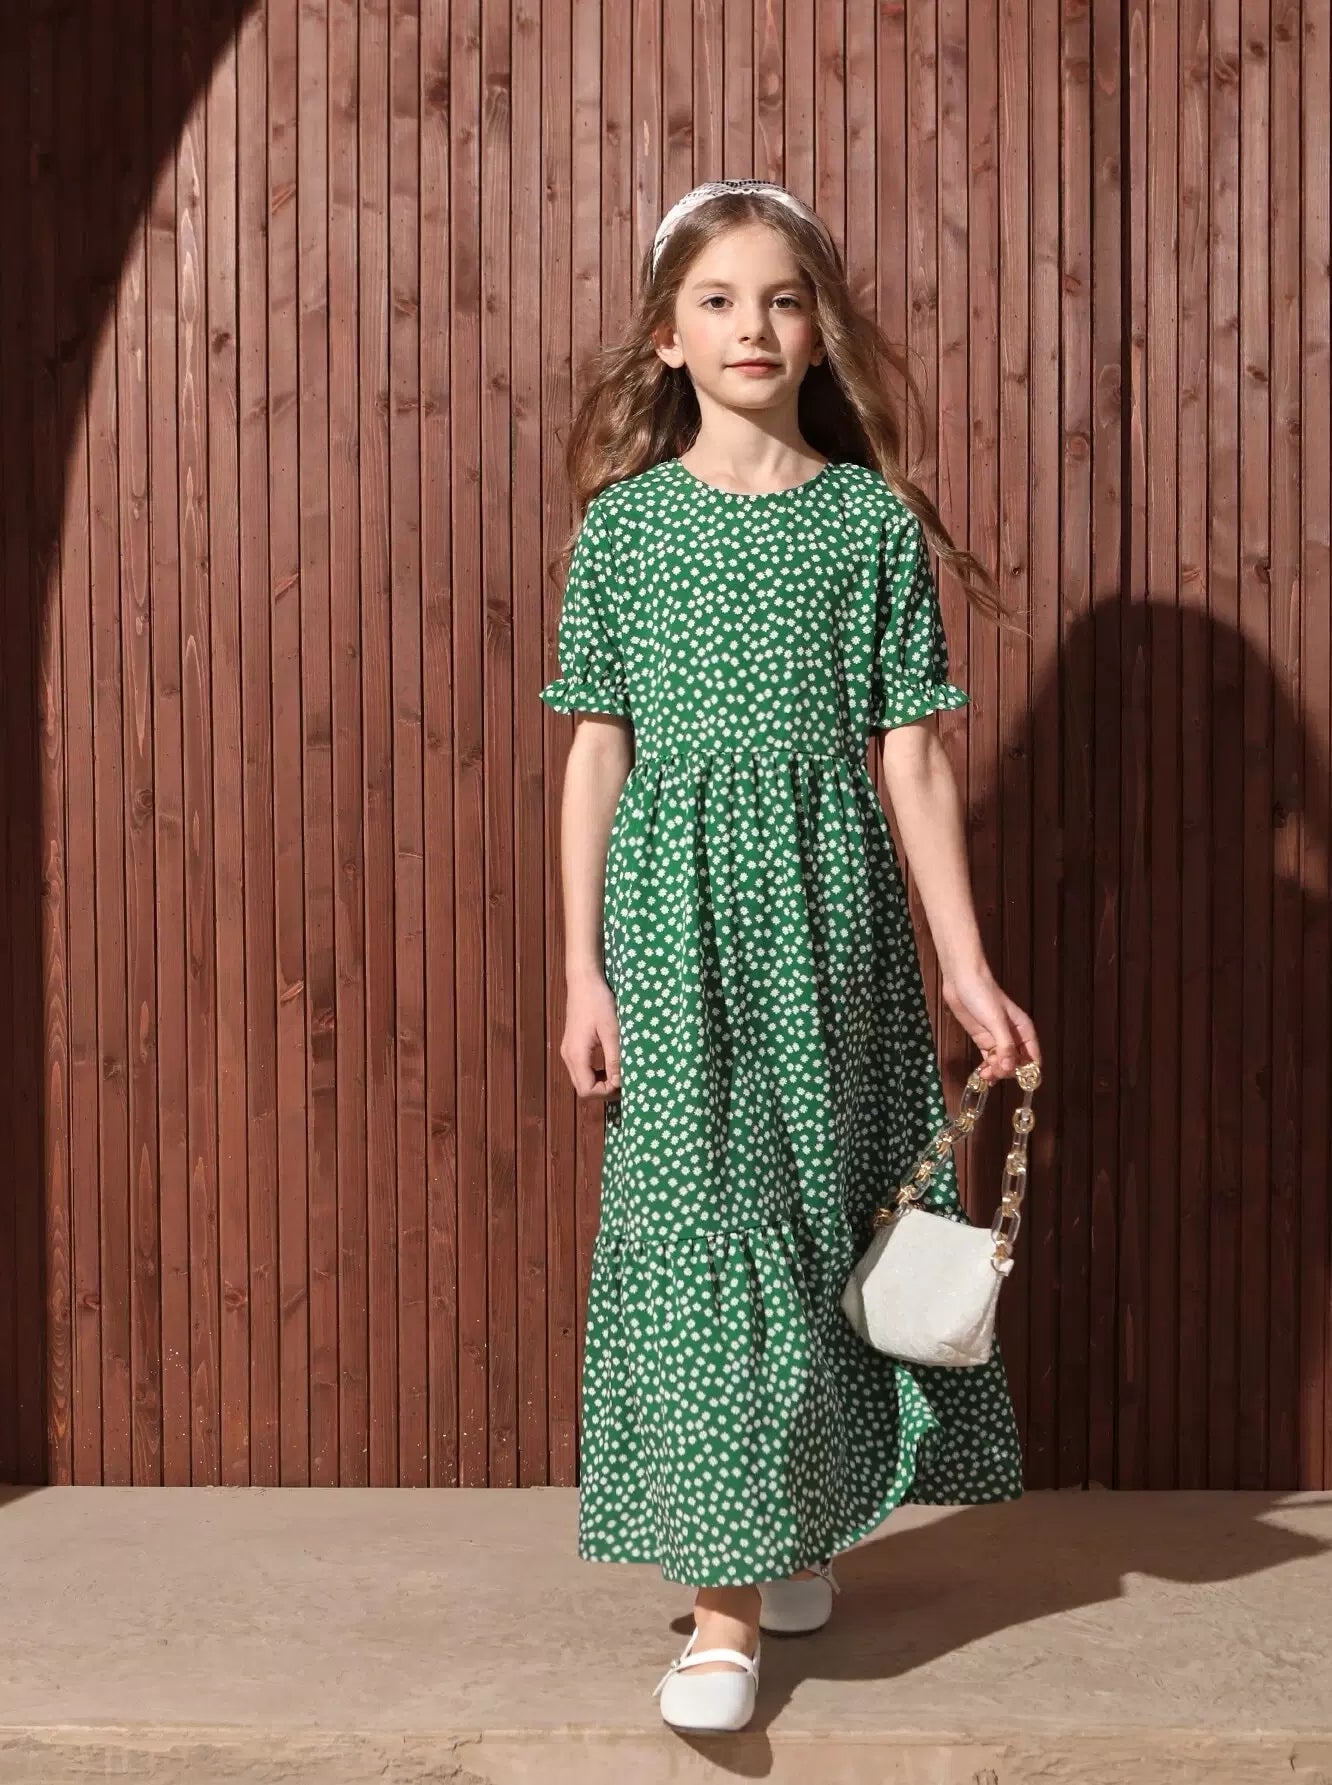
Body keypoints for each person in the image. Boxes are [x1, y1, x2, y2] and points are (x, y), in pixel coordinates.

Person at [540, 178, 1042, 1734]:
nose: (752, 326)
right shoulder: (624, 531)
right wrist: (582, 969)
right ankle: (724, 1606)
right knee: (710, 1233)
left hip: (835, 930)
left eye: (782, 298)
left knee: (823, 1215)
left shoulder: (867, 524)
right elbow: (596, 752)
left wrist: (964, 967)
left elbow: (914, 759)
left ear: (818, 331)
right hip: (675, 927)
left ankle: (791, 1520)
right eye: (717, 300)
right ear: (666, 337)